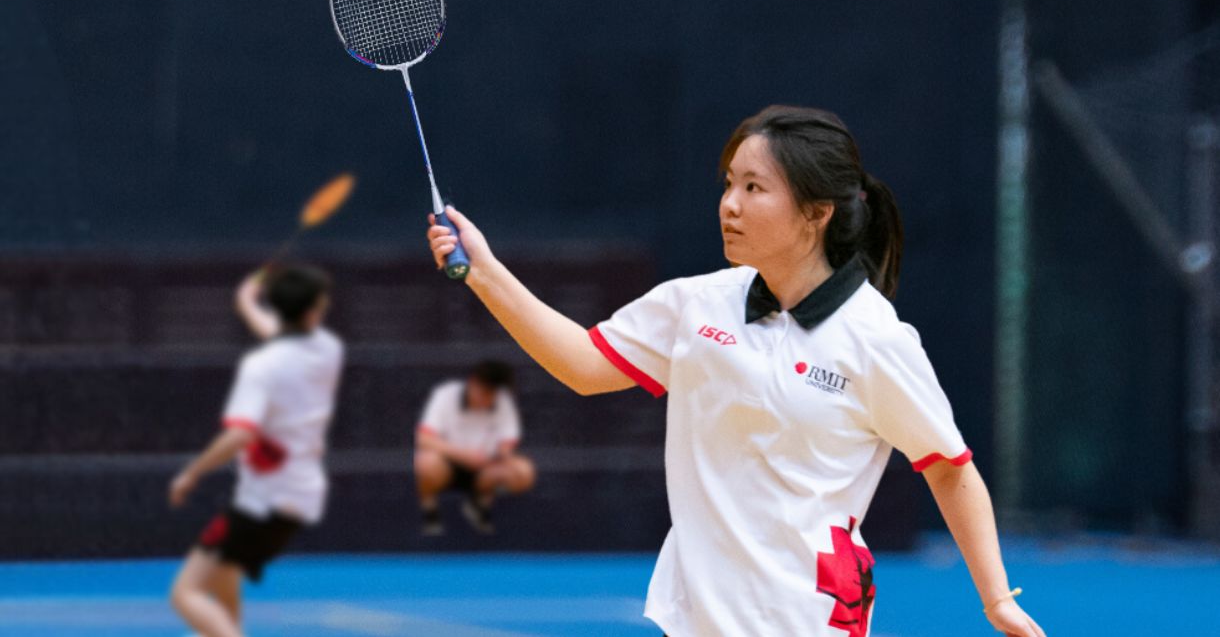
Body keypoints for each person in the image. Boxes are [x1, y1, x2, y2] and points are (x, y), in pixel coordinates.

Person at [425, 106, 1046, 637]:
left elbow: (947, 467)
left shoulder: (875, 339)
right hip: (695, 616)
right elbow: (585, 365)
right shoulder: (697, 305)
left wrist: (995, 599)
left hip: (805, 618)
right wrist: (483, 271)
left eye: (755, 189)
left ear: (816, 211)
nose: (730, 205)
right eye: (729, 184)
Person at [167, 265, 344, 637]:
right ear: (314, 311)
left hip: (263, 501)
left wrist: (192, 472)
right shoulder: (328, 350)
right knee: (226, 571)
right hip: (301, 496)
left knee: (186, 593)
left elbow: (239, 436)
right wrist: (247, 304)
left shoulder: (261, 368)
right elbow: (281, 338)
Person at [414, 360, 535, 535]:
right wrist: (463, 455)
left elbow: (507, 446)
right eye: (484, 392)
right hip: (446, 466)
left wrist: (497, 458)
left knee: (523, 471)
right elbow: (424, 438)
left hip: (484, 469)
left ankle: (478, 504)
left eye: (492, 394)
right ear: (473, 383)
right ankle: (430, 513)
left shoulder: (503, 403)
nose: (487, 399)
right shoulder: (445, 395)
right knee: (425, 462)